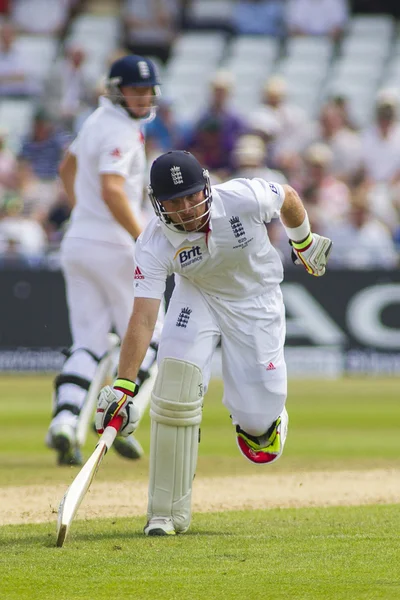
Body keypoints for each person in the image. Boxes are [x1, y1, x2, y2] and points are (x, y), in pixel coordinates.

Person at [95, 150, 332, 536]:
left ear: (206, 187)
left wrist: (302, 243)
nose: (187, 209)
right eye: (175, 202)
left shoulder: (242, 196)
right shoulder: (153, 242)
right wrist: (123, 385)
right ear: (159, 204)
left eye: (191, 196)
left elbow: (287, 196)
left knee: (260, 438)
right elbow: (143, 316)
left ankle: (263, 420)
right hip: (198, 295)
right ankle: (165, 513)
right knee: (175, 389)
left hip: (256, 299)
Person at [46, 54, 163, 466]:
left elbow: (66, 169)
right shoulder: (122, 130)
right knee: (155, 334)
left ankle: (63, 421)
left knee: (89, 341)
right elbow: (113, 189)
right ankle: (119, 418)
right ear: (117, 91)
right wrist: (142, 237)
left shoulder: (94, 121)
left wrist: (85, 217)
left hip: (78, 241)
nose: (144, 97)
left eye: (148, 90)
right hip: (113, 247)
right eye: (135, 90)